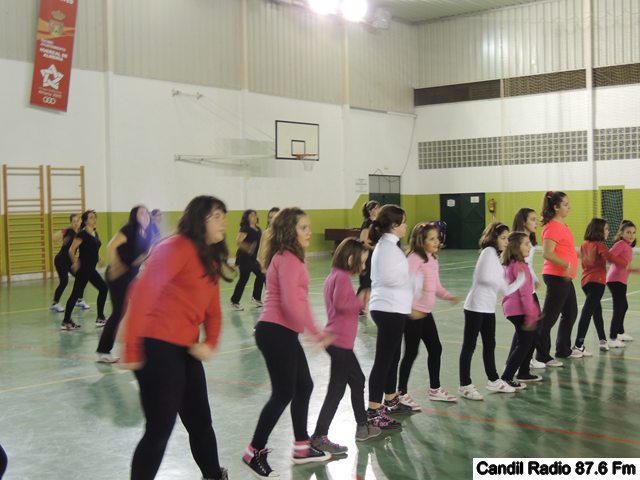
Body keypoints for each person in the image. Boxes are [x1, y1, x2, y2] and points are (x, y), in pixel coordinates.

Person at [122, 195, 231, 480]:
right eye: (216, 216)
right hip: (156, 347)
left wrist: (210, 341)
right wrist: (131, 349)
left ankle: (213, 475)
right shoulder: (175, 247)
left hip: (186, 349)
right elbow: (142, 295)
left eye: (224, 216)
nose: (223, 223)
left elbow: (213, 309)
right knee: (160, 428)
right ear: (199, 220)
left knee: (201, 422)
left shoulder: (209, 258)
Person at [243, 207, 331, 478]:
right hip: (275, 332)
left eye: (308, 227)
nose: (309, 232)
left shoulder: (288, 257)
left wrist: (313, 331)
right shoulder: (289, 259)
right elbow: (292, 305)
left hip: (282, 332)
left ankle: (301, 446)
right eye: (303, 228)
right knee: (283, 393)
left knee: (304, 385)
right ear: (289, 232)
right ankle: (254, 451)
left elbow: (299, 303)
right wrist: (315, 333)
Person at [310, 238, 382, 455]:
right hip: (339, 341)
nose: (363, 266)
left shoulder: (335, 275)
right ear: (351, 259)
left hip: (339, 341)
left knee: (357, 380)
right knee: (337, 389)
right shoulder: (341, 278)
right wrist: (360, 300)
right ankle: (319, 436)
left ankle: (362, 426)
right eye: (362, 261)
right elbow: (341, 304)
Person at [458, 223, 524, 401]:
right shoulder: (488, 252)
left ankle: (493, 379)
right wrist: (502, 280)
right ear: (493, 238)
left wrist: (519, 279)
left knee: (490, 344)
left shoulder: (496, 256)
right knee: (469, 346)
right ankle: (464, 384)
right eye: (503, 238)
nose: (506, 241)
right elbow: (484, 278)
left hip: (487, 308)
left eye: (507, 238)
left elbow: (506, 289)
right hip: (475, 307)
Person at [398, 222, 459, 408]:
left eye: (437, 238)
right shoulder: (414, 259)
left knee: (435, 348)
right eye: (431, 239)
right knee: (411, 353)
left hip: (425, 313)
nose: (436, 241)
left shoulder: (432, 259)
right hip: (413, 314)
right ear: (421, 240)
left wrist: (448, 296)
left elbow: (436, 286)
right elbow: (404, 285)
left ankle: (435, 389)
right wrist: (410, 310)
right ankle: (401, 393)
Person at [366, 204, 412, 426]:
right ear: (394, 225)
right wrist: (411, 278)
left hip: (394, 308)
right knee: (383, 360)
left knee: (393, 356)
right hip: (388, 309)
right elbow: (389, 278)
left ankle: (391, 399)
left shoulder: (390, 246)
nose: (406, 226)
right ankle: (373, 411)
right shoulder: (386, 248)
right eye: (403, 222)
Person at [96, 205, 151, 363]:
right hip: (118, 275)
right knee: (118, 312)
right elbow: (111, 246)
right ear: (134, 216)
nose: (145, 215)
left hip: (130, 275)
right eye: (141, 212)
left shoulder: (145, 234)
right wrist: (115, 265)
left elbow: (141, 257)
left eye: (147, 212)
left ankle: (140, 344)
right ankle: (103, 351)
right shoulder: (129, 229)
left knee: (139, 307)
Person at [534, 191, 579, 366]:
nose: (569, 207)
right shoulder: (552, 226)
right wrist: (566, 264)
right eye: (565, 204)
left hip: (564, 277)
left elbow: (563, 249)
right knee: (548, 318)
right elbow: (547, 253)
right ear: (556, 207)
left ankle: (563, 349)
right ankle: (542, 355)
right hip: (556, 276)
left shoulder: (562, 225)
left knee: (570, 312)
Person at [573, 218, 626, 355]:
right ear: (599, 230)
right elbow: (610, 258)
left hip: (585, 282)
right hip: (597, 282)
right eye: (606, 228)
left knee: (597, 311)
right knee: (587, 313)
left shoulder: (584, 244)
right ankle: (578, 345)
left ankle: (602, 340)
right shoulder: (600, 245)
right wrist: (625, 263)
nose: (608, 231)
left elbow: (584, 261)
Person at [500, 232, 541, 389]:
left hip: (514, 309)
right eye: (526, 244)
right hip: (518, 310)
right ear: (517, 247)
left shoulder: (514, 263)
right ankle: (507, 377)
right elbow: (525, 294)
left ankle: (524, 372)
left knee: (529, 340)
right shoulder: (519, 266)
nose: (530, 246)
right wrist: (531, 314)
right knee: (524, 343)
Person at [60, 210, 108, 331]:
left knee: (103, 288)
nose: (94, 219)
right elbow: (71, 250)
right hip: (84, 269)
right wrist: (75, 263)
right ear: (85, 221)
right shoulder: (82, 234)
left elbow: (93, 250)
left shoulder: (95, 233)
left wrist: (98, 259)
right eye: (91, 217)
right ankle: (66, 321)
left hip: (91, 269)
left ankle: (100, 318)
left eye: (94, 217)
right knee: (75, 294)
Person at [511, 208, 545, 372]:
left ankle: (522, 360)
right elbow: (519, 266)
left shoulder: (529, 241)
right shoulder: (519, 242)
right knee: (529, 327)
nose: (536, 222)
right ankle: (516, 362)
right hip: (522, 291)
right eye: (532, 219)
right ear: (523, 221)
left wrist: (535, 279)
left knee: (527, 327)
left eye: (536, 219)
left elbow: (528, 266)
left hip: (529, 288)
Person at [606, 220, 640, 348]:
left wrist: (636, 270)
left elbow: (627, 267)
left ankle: (620, 333)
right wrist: (623, 263)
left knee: (623, 306)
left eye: (633, 232)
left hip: (621, 280)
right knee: (619, 307)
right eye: (628, 232)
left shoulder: (628, 247)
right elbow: (609, 257)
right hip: (615, 280)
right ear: (621, 233)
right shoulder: (620, 244)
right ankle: (612, 338)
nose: (631, 235)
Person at [230, 209, 265, 311]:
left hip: (253, 258)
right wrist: (248, 248)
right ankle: (234, 302)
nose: (254, 217)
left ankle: (256, 298)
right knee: (243, 279)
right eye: (251, 215)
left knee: (261, 275)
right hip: (244, 258)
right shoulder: (245, 228)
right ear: (247, 218)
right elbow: (238, 241)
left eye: (255, 215)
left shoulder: (258, 229)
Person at [50, 213, 81, 312]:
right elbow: (53, 238)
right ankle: (55, 303)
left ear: (80, 221)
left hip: (69, 260)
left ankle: (79, 300)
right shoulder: (67, 231)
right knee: (64, 281)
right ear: (71, 223)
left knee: (80, 277)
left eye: (77, 221)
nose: (76, 223)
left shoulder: (80, 233)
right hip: (61, 260)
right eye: (73, 221)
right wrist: (62, 240)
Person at [357, 200, 380, 315]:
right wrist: (373, 248)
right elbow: (363, 241)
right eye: (376, 208)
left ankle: (363, 307)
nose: (378, 210)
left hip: (374, 255)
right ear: (370, 211)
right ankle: (356, 306)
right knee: (365, 283)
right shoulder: (367, 223)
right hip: (367, 255)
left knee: (370, 283)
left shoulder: (377, 223)